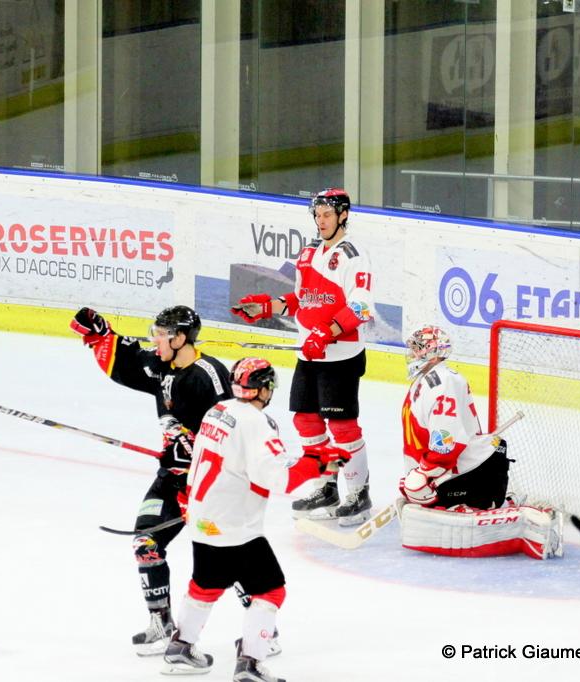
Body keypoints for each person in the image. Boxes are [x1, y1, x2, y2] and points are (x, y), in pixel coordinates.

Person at [163, 358, 349, 680]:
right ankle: (250, 663)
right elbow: (277, 478)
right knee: (271, 591)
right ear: (264, 389)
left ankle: (180, 647)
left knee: (205, 585)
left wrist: (311, 460)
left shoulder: (217, 411)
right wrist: (316, 465)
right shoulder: (257, 422)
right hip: (235, 526)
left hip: (203, 517)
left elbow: (246, 459)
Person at [70, 305, 233, 655]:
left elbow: (233, 432)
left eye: (161, 335)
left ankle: (263, 626)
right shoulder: (161, 366)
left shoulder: (209, 375)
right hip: (171, 478)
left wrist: (199, 462)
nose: (155, 340)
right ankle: (162, 623)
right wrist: (101, 334)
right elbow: (129, 361)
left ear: (180, 338)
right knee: (146, 543)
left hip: (210, 484)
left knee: (228, 556)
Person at [231, 188, 374, 526]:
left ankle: (359, 493)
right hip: (309, 353)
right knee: (306, 420)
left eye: (328, 215)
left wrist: (327, 332)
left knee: (342, 426)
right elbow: (300, 299)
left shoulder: (354, 256)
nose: (321, 221)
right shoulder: (309, 252)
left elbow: (361, 306)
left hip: (341, 355)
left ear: (343, 215)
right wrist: (267, 307)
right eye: (317, 215)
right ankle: (326, 487)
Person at [398, 325, 563, 560]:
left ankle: (518, 512)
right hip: (456, 469)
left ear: (432, 353)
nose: (412, 354)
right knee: (420, 496)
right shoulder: (426, 380)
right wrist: (417, 473)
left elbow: (447, 442)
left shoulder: (443, 383)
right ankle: (490, 502)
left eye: (417, 349)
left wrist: (425, 474)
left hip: (472, 472)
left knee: (431, 500)